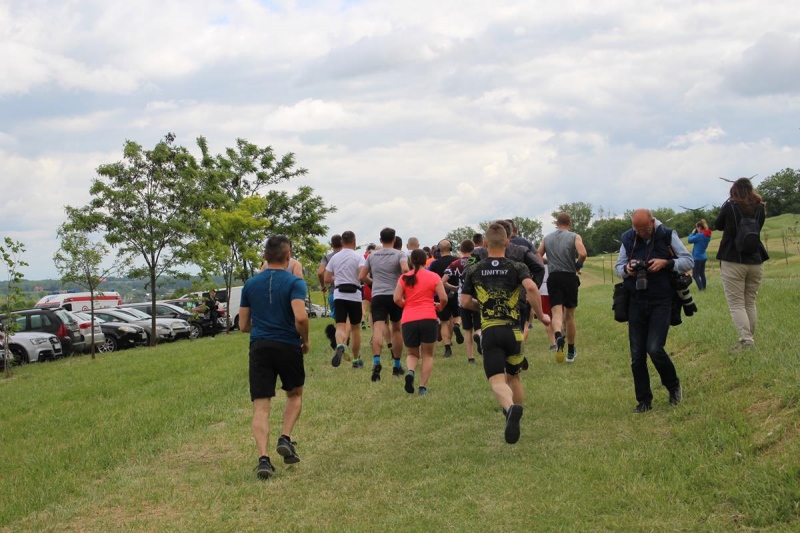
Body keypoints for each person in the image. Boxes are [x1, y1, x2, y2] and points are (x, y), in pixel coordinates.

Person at [461, 223, 551, 444]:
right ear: (507, 242)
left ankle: (510, 409)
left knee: (496, 380)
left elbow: (465, 302)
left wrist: (482, 305)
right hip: (514, 332)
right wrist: (541, 315)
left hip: (491, 331)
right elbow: (531, 288)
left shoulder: (474, 269)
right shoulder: (517, 266)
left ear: (484, 244)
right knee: (514, 376)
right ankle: (516, 415)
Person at [240, 235, 310, 480]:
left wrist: (262, 328)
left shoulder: (250, 285)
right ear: (288, 256)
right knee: (295, 394)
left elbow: (243, 325)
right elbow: (300, 317)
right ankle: (285, 437)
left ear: (264, 257)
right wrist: (305, 339)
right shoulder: (295, 282)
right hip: (288, 344)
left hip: (259, 345)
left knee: (261, 405)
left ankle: (263, 458)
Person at [615, 209, 693, 413]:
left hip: (662, 299)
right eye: (638, 230)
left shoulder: (667, 234)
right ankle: (644, 400)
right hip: (635, 301)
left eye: (646, 229)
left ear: (653, 221)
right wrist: (627, 269)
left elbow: (688, 260)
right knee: (637, 355)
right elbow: (618, 267)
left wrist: (665, 263)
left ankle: (673, 386)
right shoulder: (627, 238)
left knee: (655, 348)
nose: (642, 233)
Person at [714, 178, 769, 351]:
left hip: (733, 259)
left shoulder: (730, 206)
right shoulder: (760, 207)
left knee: (737, 303)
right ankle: (749, 338)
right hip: (756, 258)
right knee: (749, 302)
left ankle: (746, 340)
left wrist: (727, 203)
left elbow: (718, 225)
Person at [394, 249, 448, 395]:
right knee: (427, 355)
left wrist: (406, 305)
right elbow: (444, 298)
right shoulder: (433, 276)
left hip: (409, 319)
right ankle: (422, 387)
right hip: (428, 318)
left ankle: (411, 371)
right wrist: (440, 306)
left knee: (412, 353)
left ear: (411, 261)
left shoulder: (404, 278)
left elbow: (396, 298)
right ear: (426, 260)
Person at [359, 227, 409, 381]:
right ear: (394, 239)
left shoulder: (372, 255)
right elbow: (405, 269)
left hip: (378, 295)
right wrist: (402, 284)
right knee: (396, 329)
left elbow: (362, 276)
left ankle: (376, 361)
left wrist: (373, 283)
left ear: (380, 240)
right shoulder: (400, 254)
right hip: (394, 295)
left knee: (378, 328)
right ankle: (396, 365)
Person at [538, 212, 588, 363]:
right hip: (569, 277)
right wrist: (578, 265)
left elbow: (537, 256)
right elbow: (583, 253)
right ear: (570, 223)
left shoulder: (547, 238)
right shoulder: (574, 236)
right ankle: (571, 351)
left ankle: (558, 336)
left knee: (556, 313)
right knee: (570, 316)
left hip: (554, 278)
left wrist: (549, 261)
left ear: (556, 223)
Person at [324, 231, 366, 368]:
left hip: (339, 294)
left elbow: (327, 278)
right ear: (354, 242)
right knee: (355, 329)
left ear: (342, 242)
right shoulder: (358, 257)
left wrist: (337, 277)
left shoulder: (334, 258)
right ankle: (356, 360)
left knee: (340, 325)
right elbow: (362, 275)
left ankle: (340, 345)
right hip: (354, 294)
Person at [442, 239, 479, 363]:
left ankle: (471, 357)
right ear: (473, 249)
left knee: (467, 329)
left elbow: (442, 281)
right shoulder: (477, 262)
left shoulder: (455, 263)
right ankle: (479, 336)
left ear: (461, 250)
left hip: (462, 298)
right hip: (477, 297)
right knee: (479, 326)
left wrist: (454, 288)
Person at [427, 239, 463, 356]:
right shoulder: (457, 261)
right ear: (451, 248)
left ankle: (447, 348)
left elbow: (430, 278)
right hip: (456, 293)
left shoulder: (434, 264)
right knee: (457, 316)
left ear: (438, 250)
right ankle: (457, 325)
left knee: (444, 321)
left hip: (440, 294)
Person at [688, 219, 712, 291]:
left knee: (695, 275)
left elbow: (689, 240)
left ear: (699, 227)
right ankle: (704, 288)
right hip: (703, 256)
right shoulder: (707, 235)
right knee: (702, 274)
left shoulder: (699, 235)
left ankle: (701, 289)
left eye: (697, 227)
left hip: (697, 257)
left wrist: (692, 233)